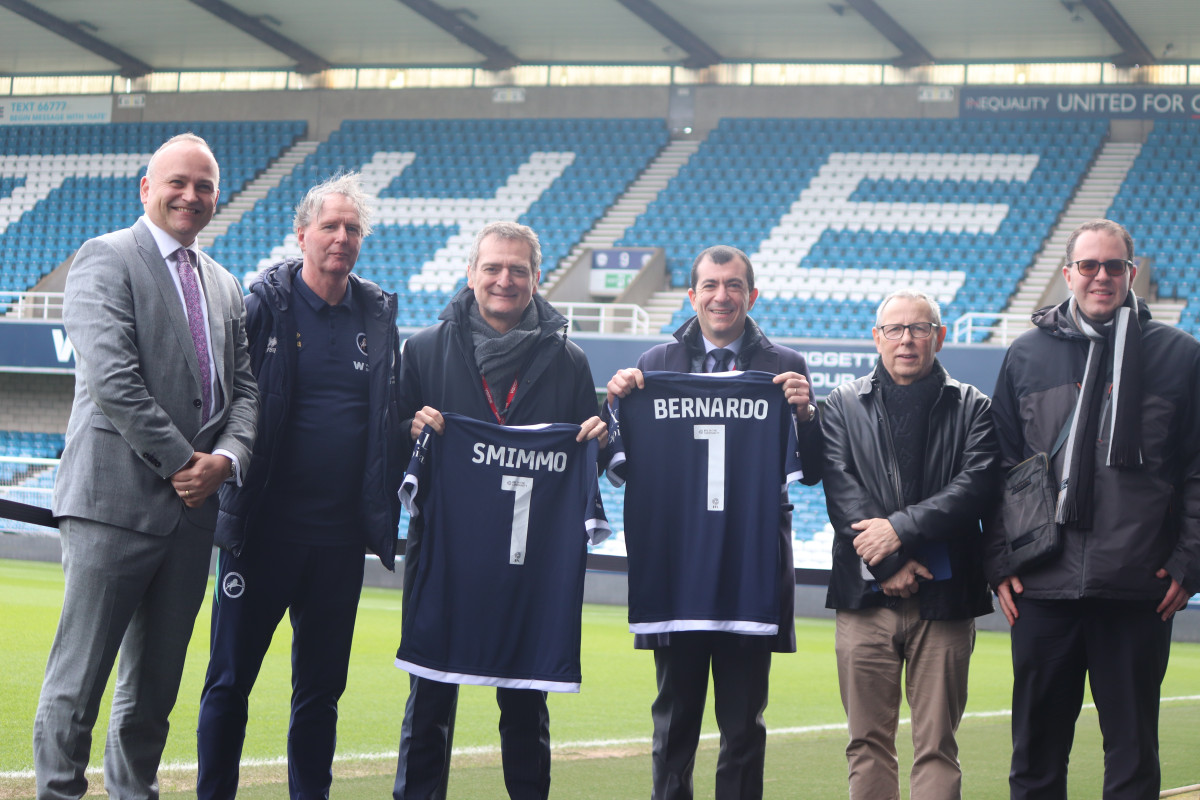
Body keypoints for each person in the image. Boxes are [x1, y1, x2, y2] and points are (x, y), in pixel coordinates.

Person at [34, 133, 258, 800]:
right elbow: (113, 379)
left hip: (192, 519)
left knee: (153, 691)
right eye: (178, 182)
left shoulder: (223, 283)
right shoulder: (104, 258)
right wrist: (184, 462)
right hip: (114, 506)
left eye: (205, 186)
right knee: (78, 685)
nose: (191, 195)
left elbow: (245, 390)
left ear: (217, 198)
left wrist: (227, 459)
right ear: (146, 188)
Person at [195, 173, 403, 799]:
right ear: (302, 234)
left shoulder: (378, 314)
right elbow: (223, 396)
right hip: (261, 532)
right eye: (330, 226)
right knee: (229, 682)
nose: (341, 238)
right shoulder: (262, 305)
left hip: (339, 543)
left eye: (352, 228)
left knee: (320, 693)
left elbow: (385, 414)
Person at [392, 220, 607, 800]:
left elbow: (588, 446)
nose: (504, 280)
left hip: (527, 567)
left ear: (537, 279)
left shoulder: (570, 362)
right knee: (430, 698)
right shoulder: (424, 350)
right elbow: (387, 447)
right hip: (447, 559)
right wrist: (408, 430)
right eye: (492, 267)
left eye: (517, 270)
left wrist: (598, 434)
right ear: (471, 273)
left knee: (525, 706)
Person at [986, 218, 1200, 799]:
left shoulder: (1180, 356)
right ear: (1068, 273)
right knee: (1035, 761)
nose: (1101, 277)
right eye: (1089, 266)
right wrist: (999, 561)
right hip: (1041, 591)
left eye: (1114, 266)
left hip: (1137, 592)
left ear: (1132, 274)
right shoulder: (1026, 354)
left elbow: (1196, 470)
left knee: (1132, 761)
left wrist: (1188, 564)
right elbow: (998, 467)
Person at [605, 244, 824, 800]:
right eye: (710, 285)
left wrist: (806, 414)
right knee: (674, 723)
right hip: (678, 568)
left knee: (743, 725)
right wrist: (617, 405)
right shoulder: (653, 368)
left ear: (752, 295)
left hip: (749, 570)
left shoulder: (786, 367)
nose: (721, 296)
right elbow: (619, 466)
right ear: (692, 294)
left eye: (733, 286)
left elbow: (815, 471)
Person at [822, 290, 999, 799]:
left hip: (945, 601)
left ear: (939, 337)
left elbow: (974, 489)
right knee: (866, 742)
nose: (906, 339)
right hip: (865, 596)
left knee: (937, 745)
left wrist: (898, 530)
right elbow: (842, 489)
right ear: (876, 338)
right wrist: (890, 563)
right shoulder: (841, 404)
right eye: (895, 329)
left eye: (919, 328)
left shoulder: (973, 406)